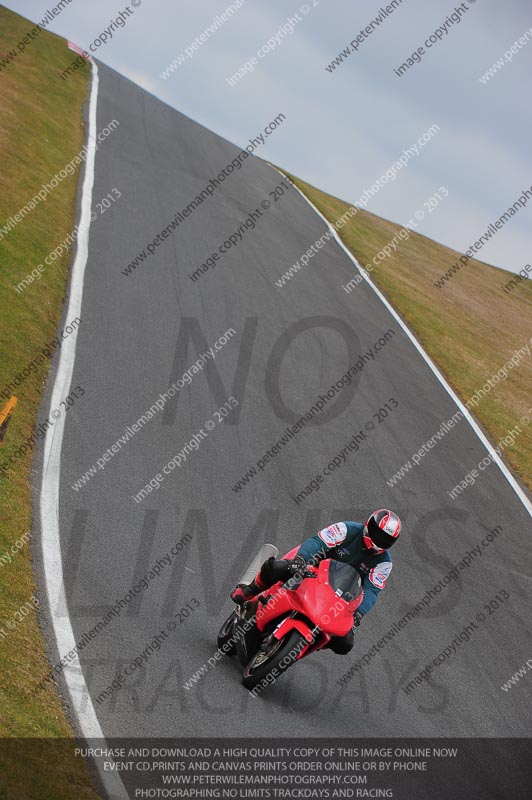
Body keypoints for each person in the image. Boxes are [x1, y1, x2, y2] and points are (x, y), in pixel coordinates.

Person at [230, 509, 401, 654]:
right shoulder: (346, 529)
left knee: (345, 643)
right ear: (369, 524)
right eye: (377, 533)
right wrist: (301, 560)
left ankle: (306, 643)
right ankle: (250, 590)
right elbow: (318, 542)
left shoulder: (384, 563)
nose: (379, 539)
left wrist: (360, 612)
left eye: (385, 538)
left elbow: (372, 590)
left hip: (338, 596)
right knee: (278, 568)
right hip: (311, 569)